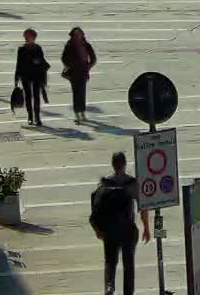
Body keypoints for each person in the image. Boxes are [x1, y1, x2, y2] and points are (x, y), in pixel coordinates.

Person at [91, 150, 151, 295]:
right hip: (128, 229)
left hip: (110, 230)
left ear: (112, 165)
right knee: (128, 264)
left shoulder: (104, 184)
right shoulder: (132, 183)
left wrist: (98, 230)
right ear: (125, 164)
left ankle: (109, 286)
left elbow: (96, 208)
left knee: (110, 261)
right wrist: (146, 228)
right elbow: (143, 208)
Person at [13, 28, 50, 127]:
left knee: (36, 96)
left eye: (28, 36)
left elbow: (42, 60)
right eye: (25, 36)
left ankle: (37, 117)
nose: (26, 38)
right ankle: (30, 117)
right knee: (28, 96)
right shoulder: (21, 49)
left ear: (33, 37)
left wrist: (38, 61)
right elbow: (18, 64)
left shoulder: (38, 48)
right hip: (25, 75)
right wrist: (16, 77)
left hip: (36, 75)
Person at [61, 27, 97, 123]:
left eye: (79, 34)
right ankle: (77, 114)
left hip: (83, 72)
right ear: (72, 35)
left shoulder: (86, 45)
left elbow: (93, 58)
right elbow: (63, 58)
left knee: (82, 92)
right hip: (73, 73)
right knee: (76, 93)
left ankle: (83, 113)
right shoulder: (69, 45)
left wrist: (88, 66)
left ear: (82, 35)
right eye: (75, 34)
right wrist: (69, 65)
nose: (77, 36)